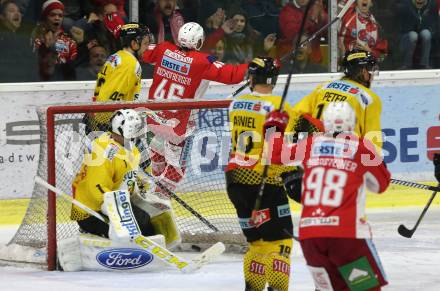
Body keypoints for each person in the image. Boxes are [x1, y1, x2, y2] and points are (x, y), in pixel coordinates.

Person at [281, 101, 390, 291]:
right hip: (347, 238)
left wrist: (274, 129)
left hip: (311, 238)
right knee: (365, 289)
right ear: (352, 122)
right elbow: (381, 185)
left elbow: (278, 155)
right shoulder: (361, 147)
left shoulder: (309, 144)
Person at [140, 22, 248, 204]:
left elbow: (143, 51)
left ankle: (154, 187)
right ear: (198, 42)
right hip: (178, 127)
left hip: (153, 120)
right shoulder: (203, 62)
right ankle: (158, 200)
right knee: (176, 168)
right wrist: (255, 67)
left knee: (157, 160)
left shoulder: (163, 49)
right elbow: (233, 75)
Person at [225, 57, 295, 291]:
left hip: (235, 180)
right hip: (263, 180)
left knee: (257, 243)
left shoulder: (236, 103)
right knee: (280, 243)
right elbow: (282, 150)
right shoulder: (278, 105)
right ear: (274, 79)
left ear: (251, 78)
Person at [71, 109, 180, 248]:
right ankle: (141, 250)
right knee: (142, 220)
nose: (138, 133)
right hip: (91, 211)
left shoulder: (130, 149)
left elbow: (125, 177)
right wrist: (117, 208)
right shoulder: (105, 151)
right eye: (136, 129)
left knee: (160, 211)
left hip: (115, 201)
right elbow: (95, 187)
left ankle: (164, 245)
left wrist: (139, 186)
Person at [287, 48, 383, 150]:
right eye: (371, 70)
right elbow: (372, 141)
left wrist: (290, 145)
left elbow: (296, 113)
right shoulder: (369, 98)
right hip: (346, 154)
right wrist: (375, 162)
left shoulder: (324, 87)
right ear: (363, 71)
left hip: (316, 151)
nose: (372, 76)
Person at [93, 22, 151, 102]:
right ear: (134, 44)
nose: (147, 47)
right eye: (145, 43)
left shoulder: (117, 56)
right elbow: (110, 100)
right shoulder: (129, 63)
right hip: (108, 113)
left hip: (99, 110)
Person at [31, 0, 78, 81]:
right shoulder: (37, 33)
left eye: (60, 16)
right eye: (52, 15)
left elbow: (70, 55)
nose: (57, 18)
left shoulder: (68, 34)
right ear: (45, 18)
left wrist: (53, 45)